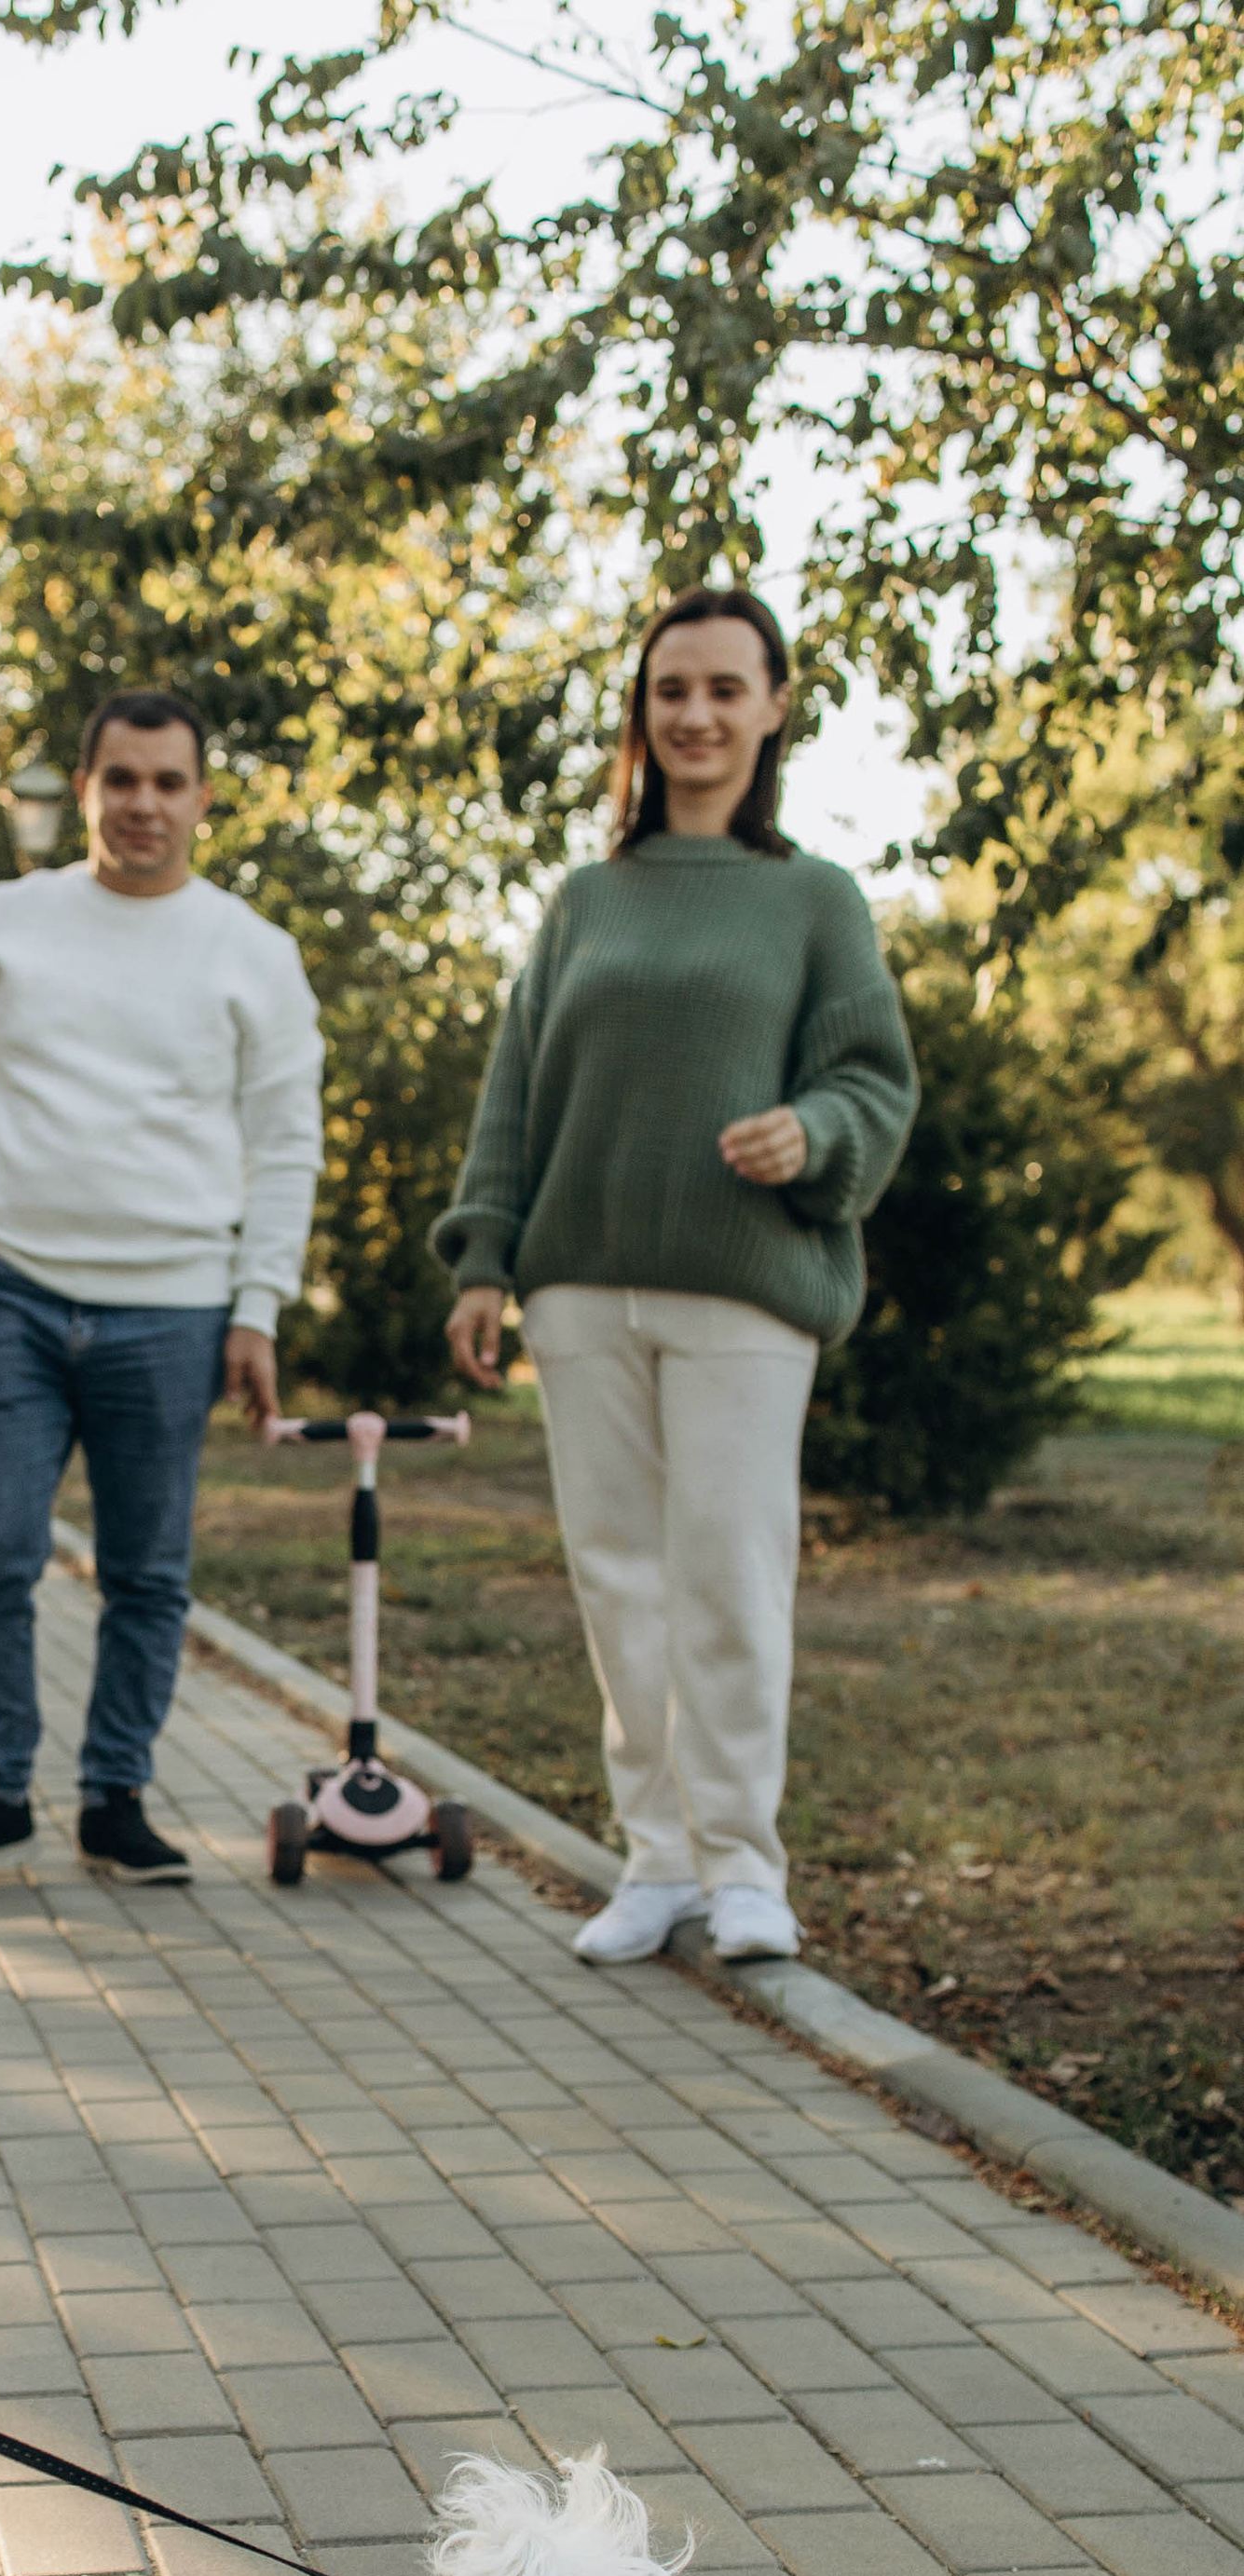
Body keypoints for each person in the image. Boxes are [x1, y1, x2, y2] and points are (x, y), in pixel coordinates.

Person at [433, 587, 917, 1967]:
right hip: (580, 1289)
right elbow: (516, 1091)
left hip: (745, 1288)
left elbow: (872, 1082)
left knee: (729, 1573)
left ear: (774, 708)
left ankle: (745, 1867)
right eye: (670, 692)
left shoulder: (812, 901)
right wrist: (485, 1256)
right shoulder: (587, 899)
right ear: (642, 718)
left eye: (723, 689)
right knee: (620, 1578)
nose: (695, 716)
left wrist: (813, 1133)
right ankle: (655, 1861)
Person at [0, 688, 323, 1888]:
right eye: (119, 780)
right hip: (8, 1288)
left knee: (149, 1571)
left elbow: (287, 1141)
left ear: (202, 799)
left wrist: (257, 1307)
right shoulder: (4, 925)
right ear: (84, 792)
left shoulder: (253, 954)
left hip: (174, 1305)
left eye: (167, 783)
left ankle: (117, 1799)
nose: (143, 804)